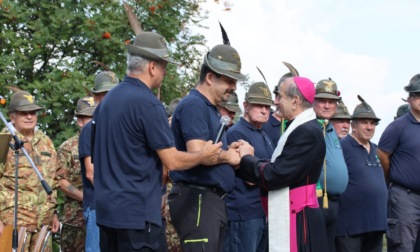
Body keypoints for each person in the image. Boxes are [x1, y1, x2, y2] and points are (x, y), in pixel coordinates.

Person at [92, 32, 225, 252]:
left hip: (107, 215)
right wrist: (202, 155)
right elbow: (172, 161)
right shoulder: (148, 103)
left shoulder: (107, 103)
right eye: (164, 66)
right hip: (137, 216)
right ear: (152, 67)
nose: (165, 72)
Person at [168, 44, 245, 252]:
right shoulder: (194, 105)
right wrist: (228, 156)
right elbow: (198, 151)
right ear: (210, 78)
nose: (234, 87)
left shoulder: (209, 109)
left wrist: (232, 150)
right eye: (229, 80)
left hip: (208, 202)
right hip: (198, 201)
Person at [237, 76, 328, 252]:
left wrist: (246, 159)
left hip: (298, 217)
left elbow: (276, 174)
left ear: (295, 101)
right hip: (294, 212)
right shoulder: (302, 127)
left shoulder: (306, 132)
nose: (276, 101)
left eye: (280, 96)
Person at [0, 90, 60, 252]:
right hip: (13, 223)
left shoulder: (46, 142)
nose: (29, 117)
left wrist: (54, 212)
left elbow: (53, 180)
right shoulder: (4, 140)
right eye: (23, 113)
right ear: (12, 117)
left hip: (43, 223)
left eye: (32, 113)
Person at [223, 82, 273, 252]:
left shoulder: (263, 133)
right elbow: (251, 178)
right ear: (245, 105)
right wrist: (272, 173)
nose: (264, 110)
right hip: (243, 212)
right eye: (259, 105)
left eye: (267, 106)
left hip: (261, 211)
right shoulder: (237, 133)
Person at [335, 95, 387, 252]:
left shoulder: (376, 149)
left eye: (372, 123)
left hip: (376, 225)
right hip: (351, 227)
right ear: (353, 125)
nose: (369, 127)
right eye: (364, 122)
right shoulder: (342, 148)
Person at [377, 73, 420, 252]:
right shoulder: (397, 127)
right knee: (403, 246)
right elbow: (382, 155)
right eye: (417, 95)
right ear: (409, 99)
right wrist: (392, 178)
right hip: (405, 196)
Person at [79, 71, 119, 252]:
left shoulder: (121, 127)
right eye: (106, 94)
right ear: (96, 98)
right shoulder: (90, 128)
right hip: (99, 205)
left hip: (120, 205)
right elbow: (91, 172)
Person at [56, 96, 96, 252]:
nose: (94, 121)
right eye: (89, 117)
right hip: (75, 218)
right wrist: (84, 197)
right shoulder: (68, 147)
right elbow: (59, 180)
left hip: (103, 213)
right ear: (79, 121)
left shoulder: (107, 142)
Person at [313, 78, 348, 252]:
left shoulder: (330, 127)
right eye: (322, 101)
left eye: (331, 102)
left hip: (333, 203)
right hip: (315, 200)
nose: (327, 106)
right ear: (313, 101)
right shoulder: (309, 126)